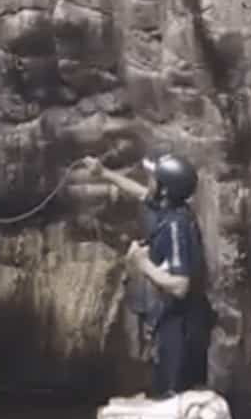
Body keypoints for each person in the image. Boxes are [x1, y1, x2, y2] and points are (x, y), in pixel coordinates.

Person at [86, 152, 213, 399]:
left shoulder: (176, 225)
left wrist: (142, 263)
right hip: (176, 320)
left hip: (182, 328)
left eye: (154, 179)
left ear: (165, 190)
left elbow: (180, 285)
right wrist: (103, 173)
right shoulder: (171, 207)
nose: (149, 182)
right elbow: (140, 193)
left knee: (173, 395)